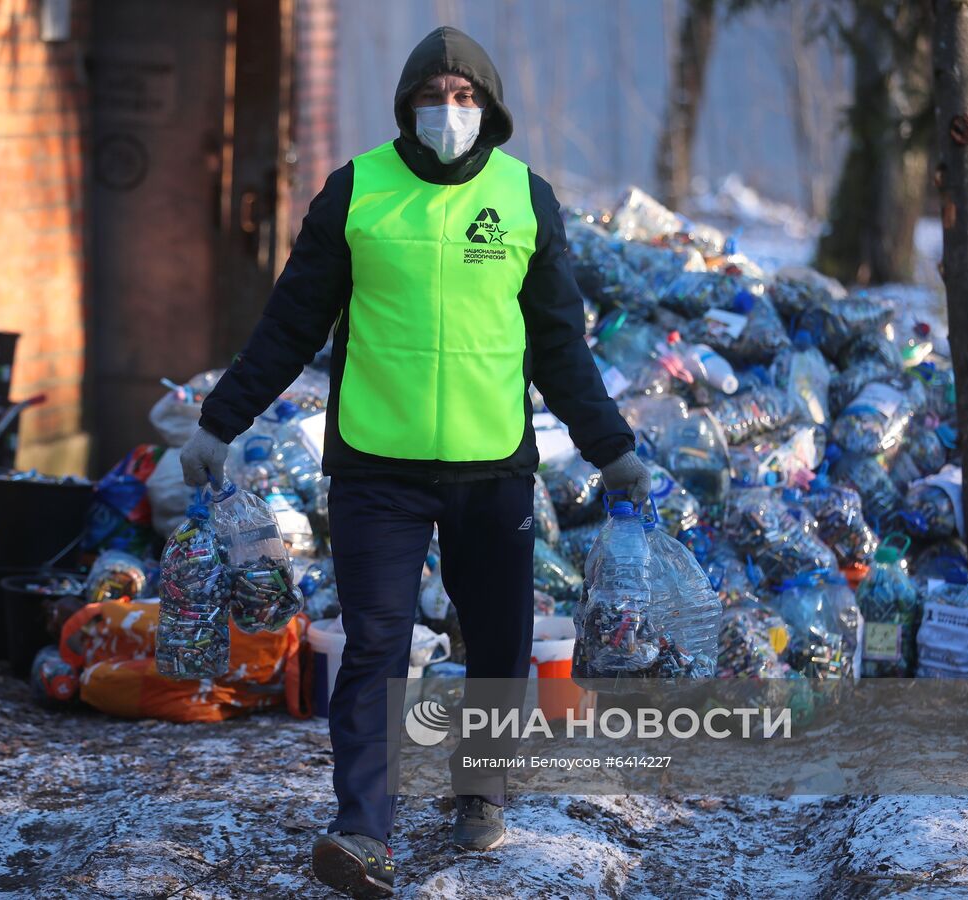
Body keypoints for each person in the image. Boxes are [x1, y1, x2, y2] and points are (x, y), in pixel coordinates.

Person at [180, 26, 646, 899]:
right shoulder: (356, 193)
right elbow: (290, 325)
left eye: (466, 96)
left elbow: (560, 346)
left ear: (491, 107)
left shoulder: (524, 199)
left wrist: (611, 448)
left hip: (492, 470)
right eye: (435, 94)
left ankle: (480, 788)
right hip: (376, 470)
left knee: (498, 645)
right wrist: (219, 423)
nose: (450, 109)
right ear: (407, 105)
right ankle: (363, 830)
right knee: (376, 647)